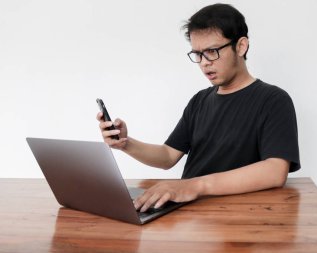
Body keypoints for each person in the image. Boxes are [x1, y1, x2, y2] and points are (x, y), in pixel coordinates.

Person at [97, 3, 300, 213]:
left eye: (212, 51)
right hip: (186, 213)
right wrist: (125, 143)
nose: (204, 63)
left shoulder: (273, 100)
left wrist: (194, 185)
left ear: (241, 46)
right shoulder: (200, 101)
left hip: (237, 217)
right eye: (198, 54)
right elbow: (167, 156)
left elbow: (275, 171)